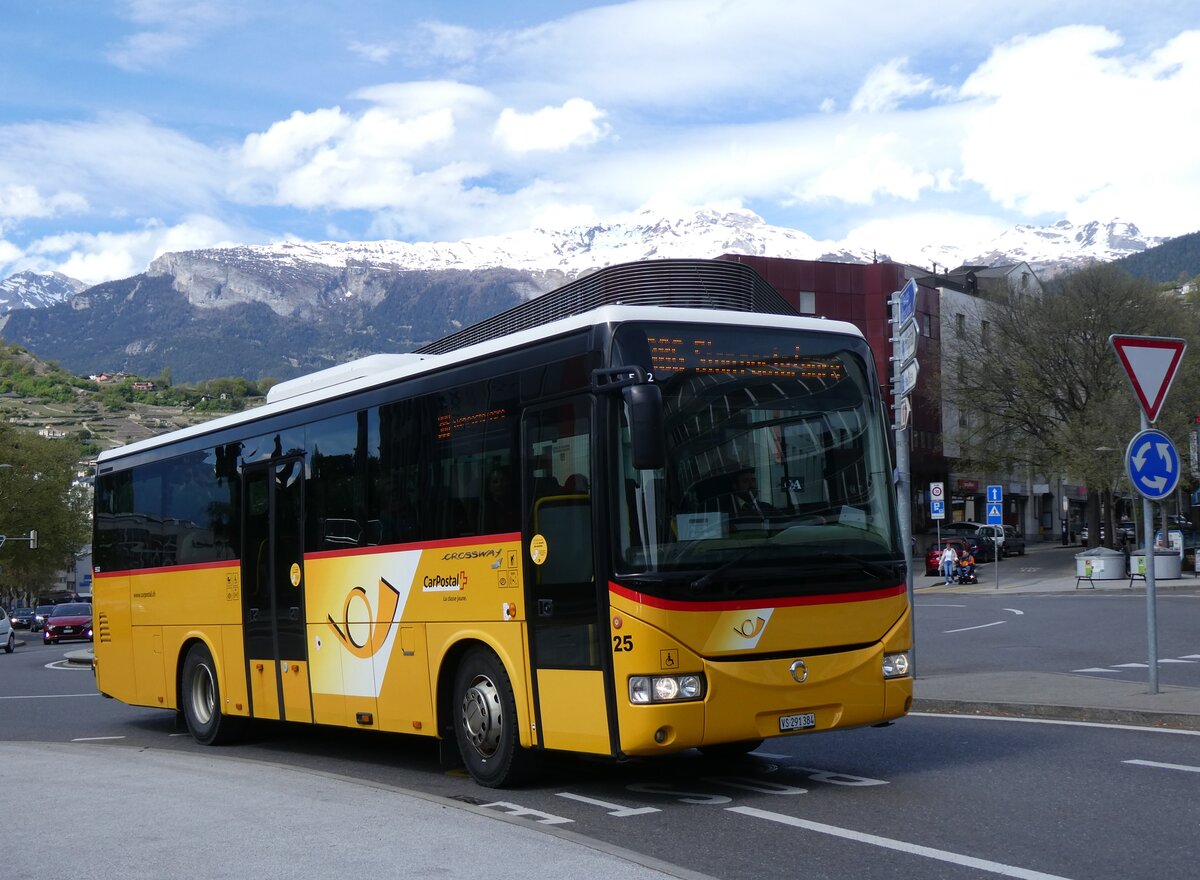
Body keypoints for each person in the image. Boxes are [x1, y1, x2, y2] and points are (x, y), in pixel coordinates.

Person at [483, 465, 519, 533]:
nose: (499, 484)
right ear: (489, 486)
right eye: (495, 482)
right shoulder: (485, 509)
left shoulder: (516, 505)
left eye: (502, 480)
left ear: (508, 483)